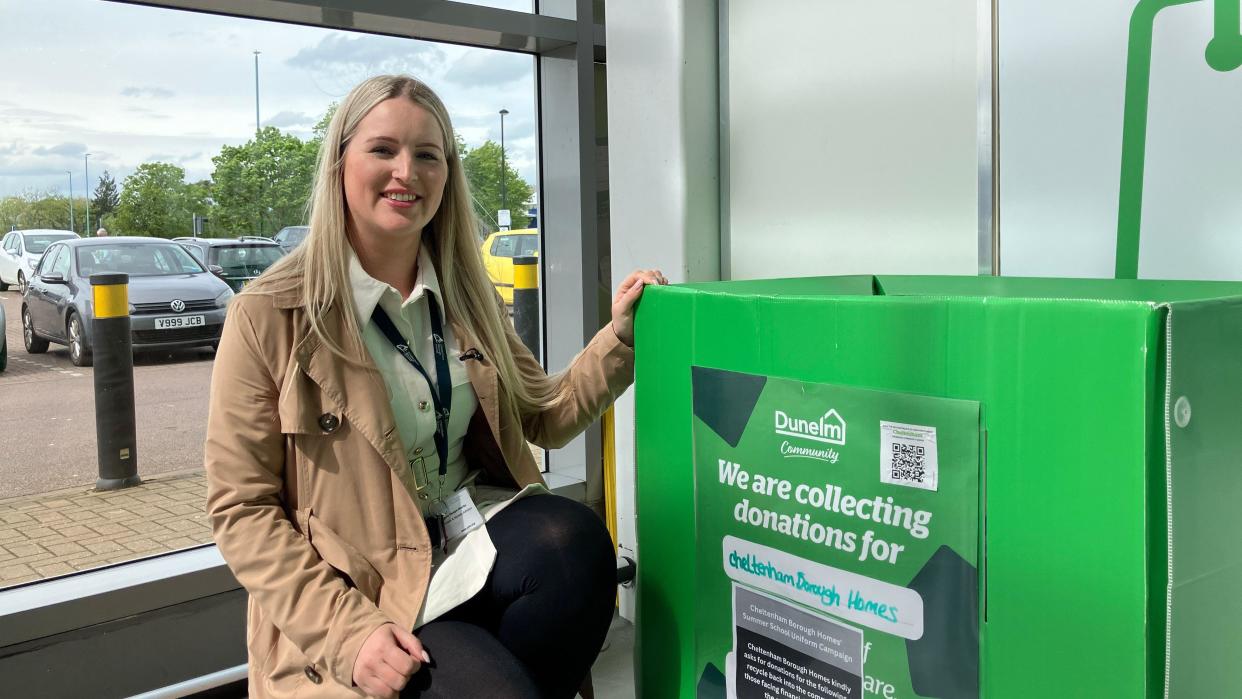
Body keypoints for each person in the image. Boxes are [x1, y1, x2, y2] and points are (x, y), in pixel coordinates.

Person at [204, 74, 666, 699]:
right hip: (364, 593)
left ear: (447, 174)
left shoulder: (467, 298)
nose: (407, 172)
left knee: (572, 543)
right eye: (383, 150)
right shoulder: (268, 316)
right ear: (340, 162)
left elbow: (548, 414)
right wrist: (347, 634)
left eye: (428, 155)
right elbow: (242, 510)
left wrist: (622, 339)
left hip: (461, 549)